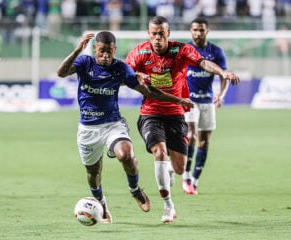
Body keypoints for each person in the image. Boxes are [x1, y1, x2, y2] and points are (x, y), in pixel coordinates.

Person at [56, 31, 194, 224]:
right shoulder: (84, 63)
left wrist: (177, 99)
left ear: (114, 50)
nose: (105, 55)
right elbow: (61, 72)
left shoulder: (120, 68)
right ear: (95, 48)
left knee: (125, 154)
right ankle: (102, 205)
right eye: (102, 51)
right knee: (93, 173)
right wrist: (78, 49)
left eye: (110, 51)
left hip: (113, 124)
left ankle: (135, 189)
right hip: (88, 129)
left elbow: (148, 91)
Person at [125, 16, 240, 223]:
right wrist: (135, 76)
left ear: (168, 33)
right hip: (150, 113)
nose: (158, 38)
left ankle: (170, 167)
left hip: (177, 114)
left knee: (179, 168)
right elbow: (126, 71)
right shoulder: (140, 52)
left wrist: (223, 72)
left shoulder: (181, 50)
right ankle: (168, 206)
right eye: (154, 34)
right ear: (148, 34)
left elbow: (203, 62)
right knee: (159, 152)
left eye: (161, 34)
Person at [181, 17, 230, 195]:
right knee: (191, 134)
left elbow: (223, 75)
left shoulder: (216, 51)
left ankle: (195, 179)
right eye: (195, 30)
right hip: (189, 100)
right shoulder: (185, 50)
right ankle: (185, 175)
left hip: (207, 101)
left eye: (201, 30)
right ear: (191, 31)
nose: (198, 33)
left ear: (207, 31)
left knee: (205, 141)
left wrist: (221, 95)